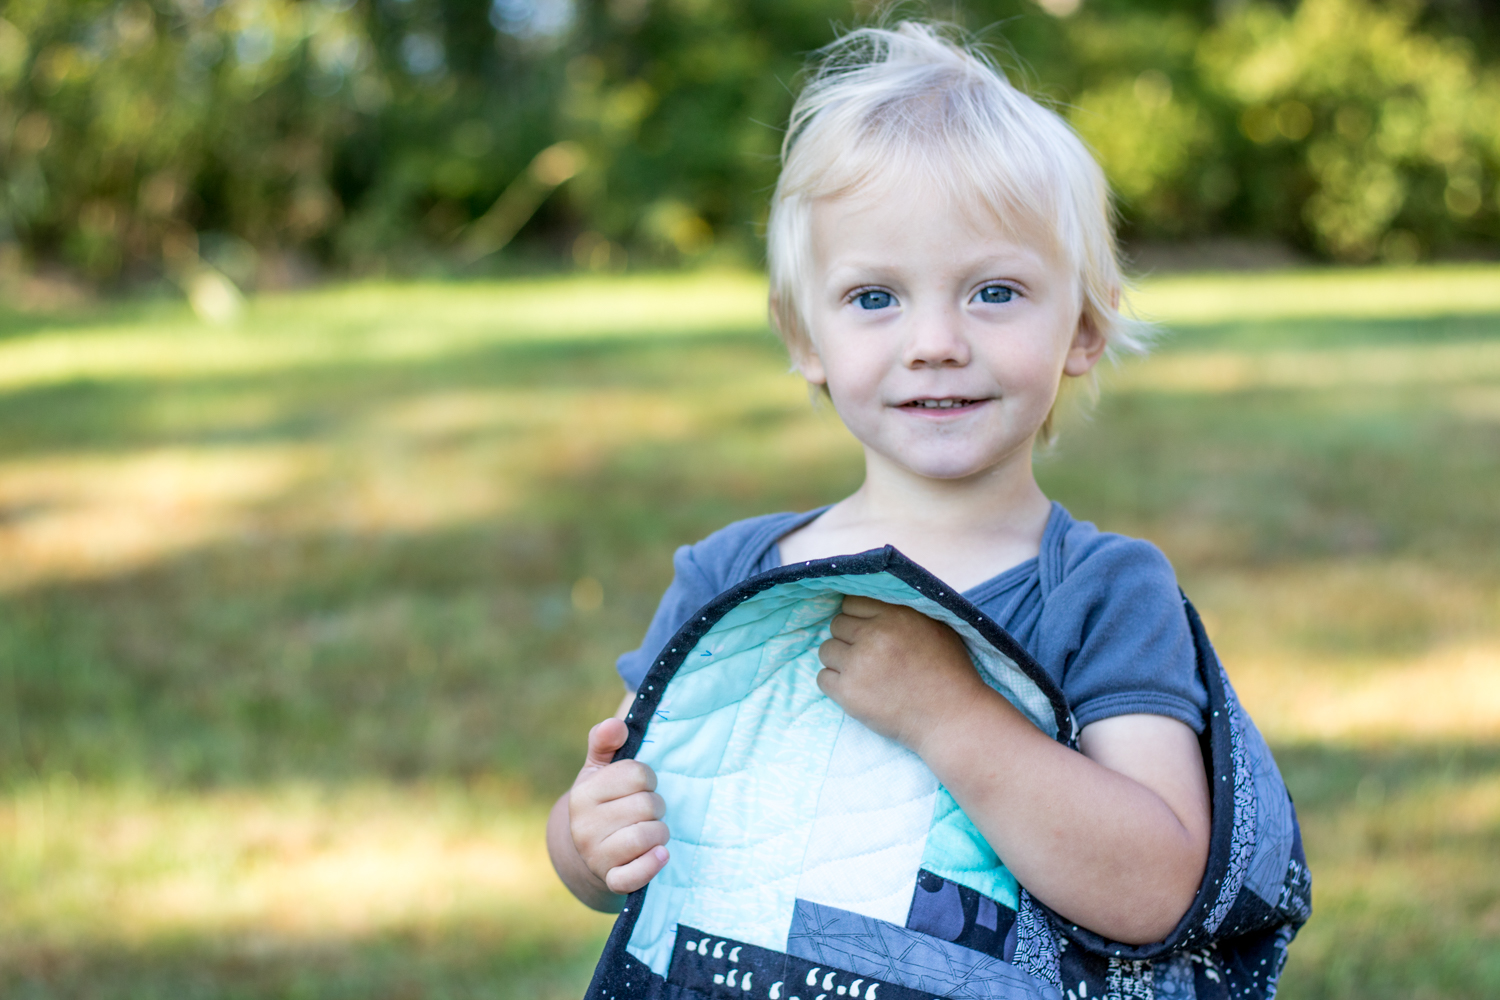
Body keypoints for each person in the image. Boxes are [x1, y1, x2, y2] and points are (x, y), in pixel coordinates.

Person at [547, 21, 1213, 949]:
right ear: (805, 340)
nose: (935, 341)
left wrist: (951, 716)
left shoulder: (1104, 593)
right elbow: (616, 822)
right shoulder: (730, 578)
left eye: (994, 292)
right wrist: (586, 840)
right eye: (875, 298)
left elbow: (1155, 894)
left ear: (1085, 329)